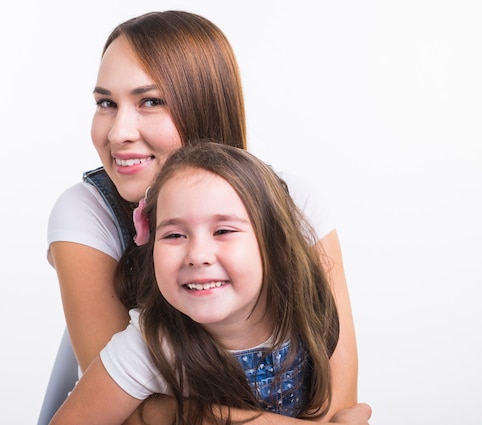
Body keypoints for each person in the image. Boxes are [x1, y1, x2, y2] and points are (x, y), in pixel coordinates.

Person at [40, 10, 368, 425]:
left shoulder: (295, 200)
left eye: (151, 101)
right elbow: (130, 415)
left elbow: (339, 403)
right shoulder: (85, 213)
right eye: (106, 103)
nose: (117, 132)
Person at [49, 142, 341, 425]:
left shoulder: (306, 311)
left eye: (223, 231)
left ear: (275, 246)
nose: (197, 255)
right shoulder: (152, 344)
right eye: (174, 235)